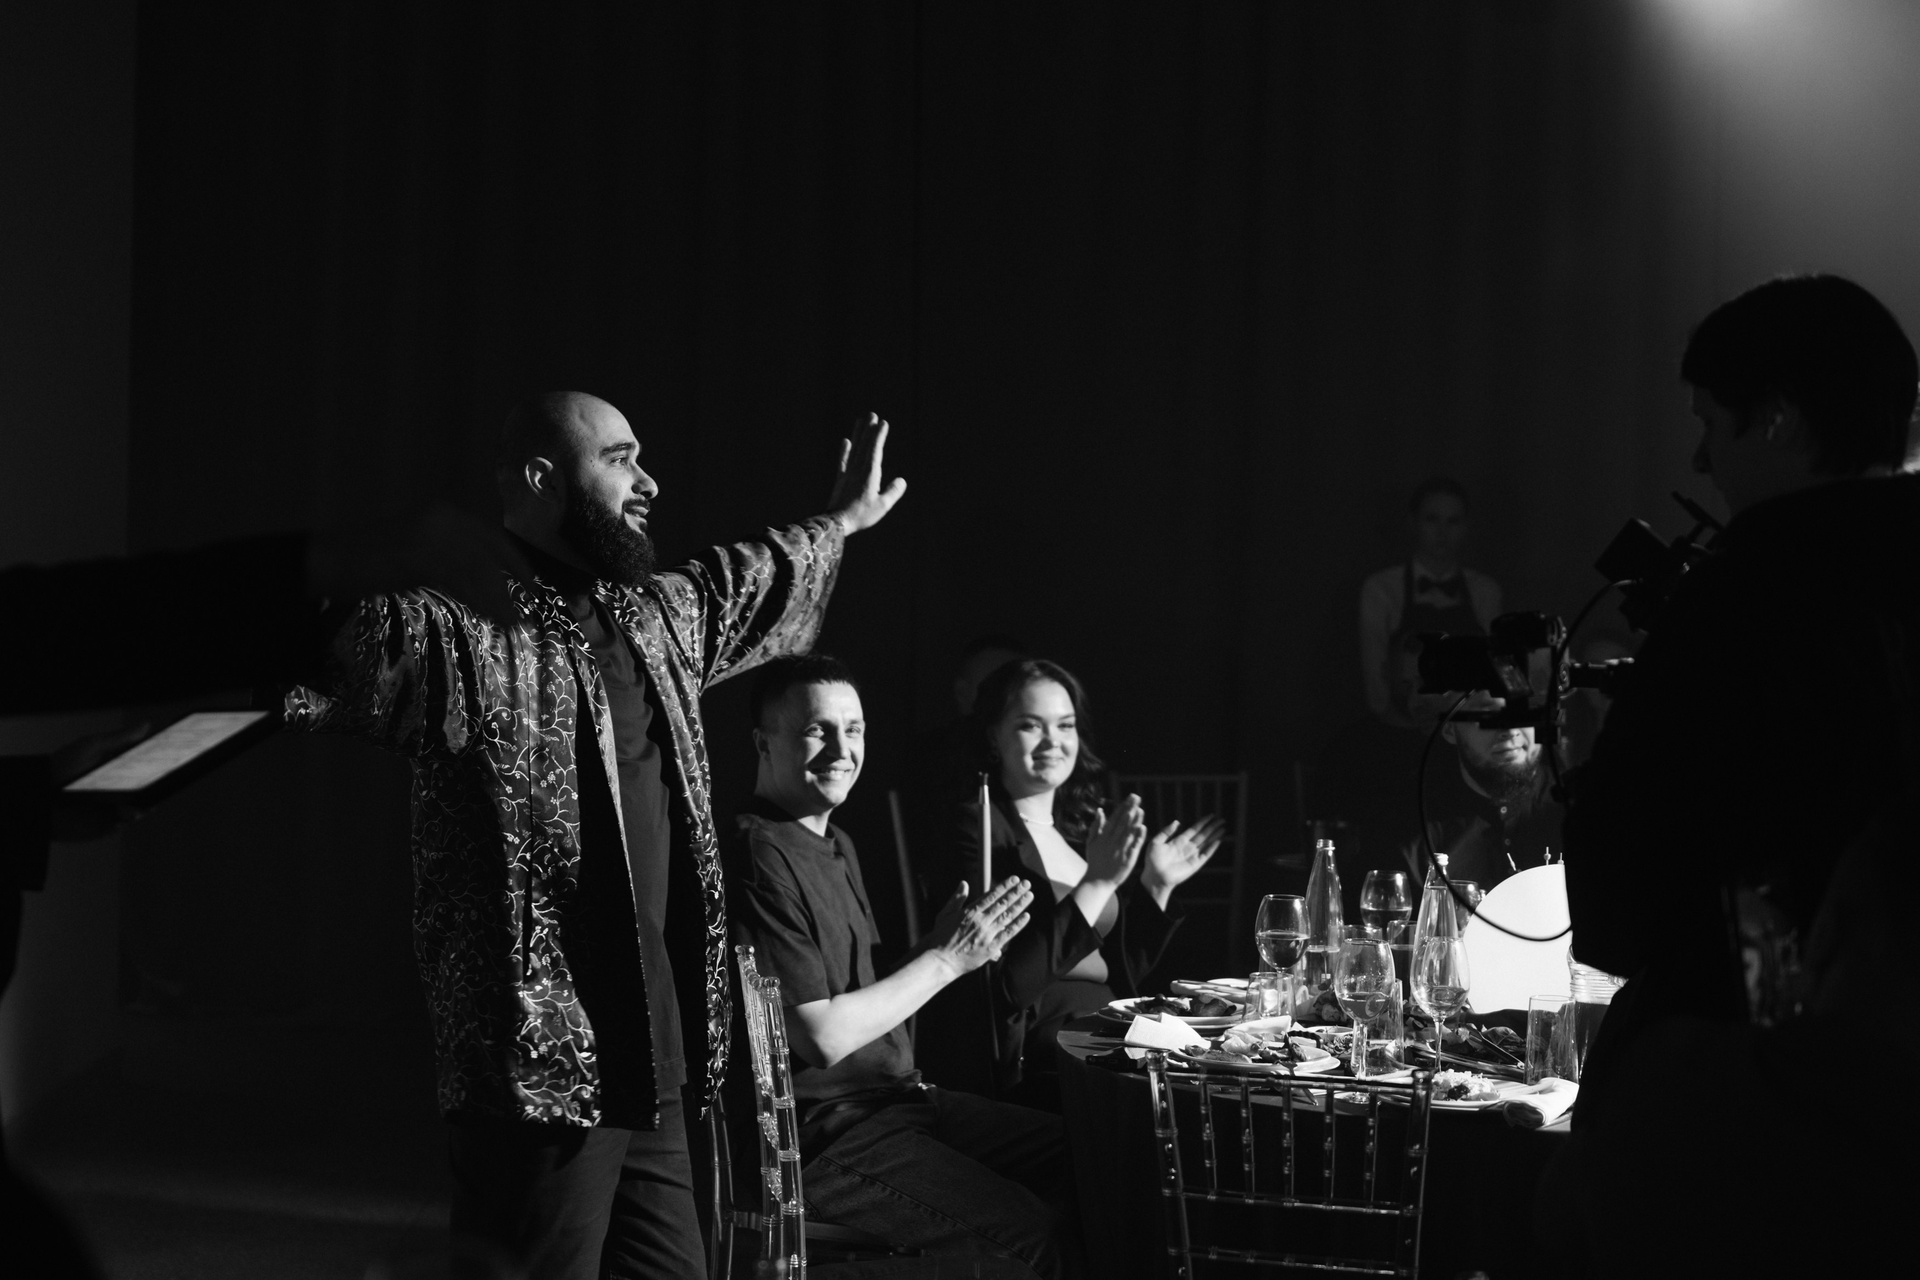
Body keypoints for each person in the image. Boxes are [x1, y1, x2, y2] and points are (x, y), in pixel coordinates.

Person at [286, 393, 905, 1278]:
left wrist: (840, 521)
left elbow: (741, 578)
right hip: (541, 1070)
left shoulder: (653, 618)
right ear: (542, 478)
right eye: (619, 459)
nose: (647, 481)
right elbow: (332, 643)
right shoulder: (465, 628)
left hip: (655, 1058)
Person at [1550, 275, 1920, 1276]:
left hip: (1767, 1109)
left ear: (1781, 421)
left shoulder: (1745, 593)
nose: (1701, 459)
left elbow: (1626, 893)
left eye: (1712, 422)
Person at [724, 654, 1077, 1278]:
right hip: (824, 1139)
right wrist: (945, 958)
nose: (841, 750)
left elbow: (856, 997)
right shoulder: (758, 853)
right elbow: (822, 1036)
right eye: (817, 730)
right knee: (1031, 1239)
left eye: (853, 730)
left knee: (1098, 1157)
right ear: (763, 742)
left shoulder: (835, 841)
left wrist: (938, 947)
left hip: (899, 1103)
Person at [938, 659, 1223, 1109]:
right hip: (1049, 1051)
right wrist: (1096, 882)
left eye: (1065, 725)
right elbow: (1004, 988)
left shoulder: (1079, 829)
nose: (1053, 740)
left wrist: (1155, 885)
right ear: (993, 736)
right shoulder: (980, 827)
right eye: (1031, 725)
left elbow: (1121, 972)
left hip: (1111, 1029)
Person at [1359, 478, 1502, 728]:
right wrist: (1400, 726)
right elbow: (1375, 677)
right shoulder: (1382, 588)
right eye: (1432, 520)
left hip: (1467, 728)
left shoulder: (1485, 591)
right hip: (1399, 727)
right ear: (1413, 522)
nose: (1442, 533)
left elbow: (1495, 670)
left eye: (1452, 522)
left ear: (1466, 527)